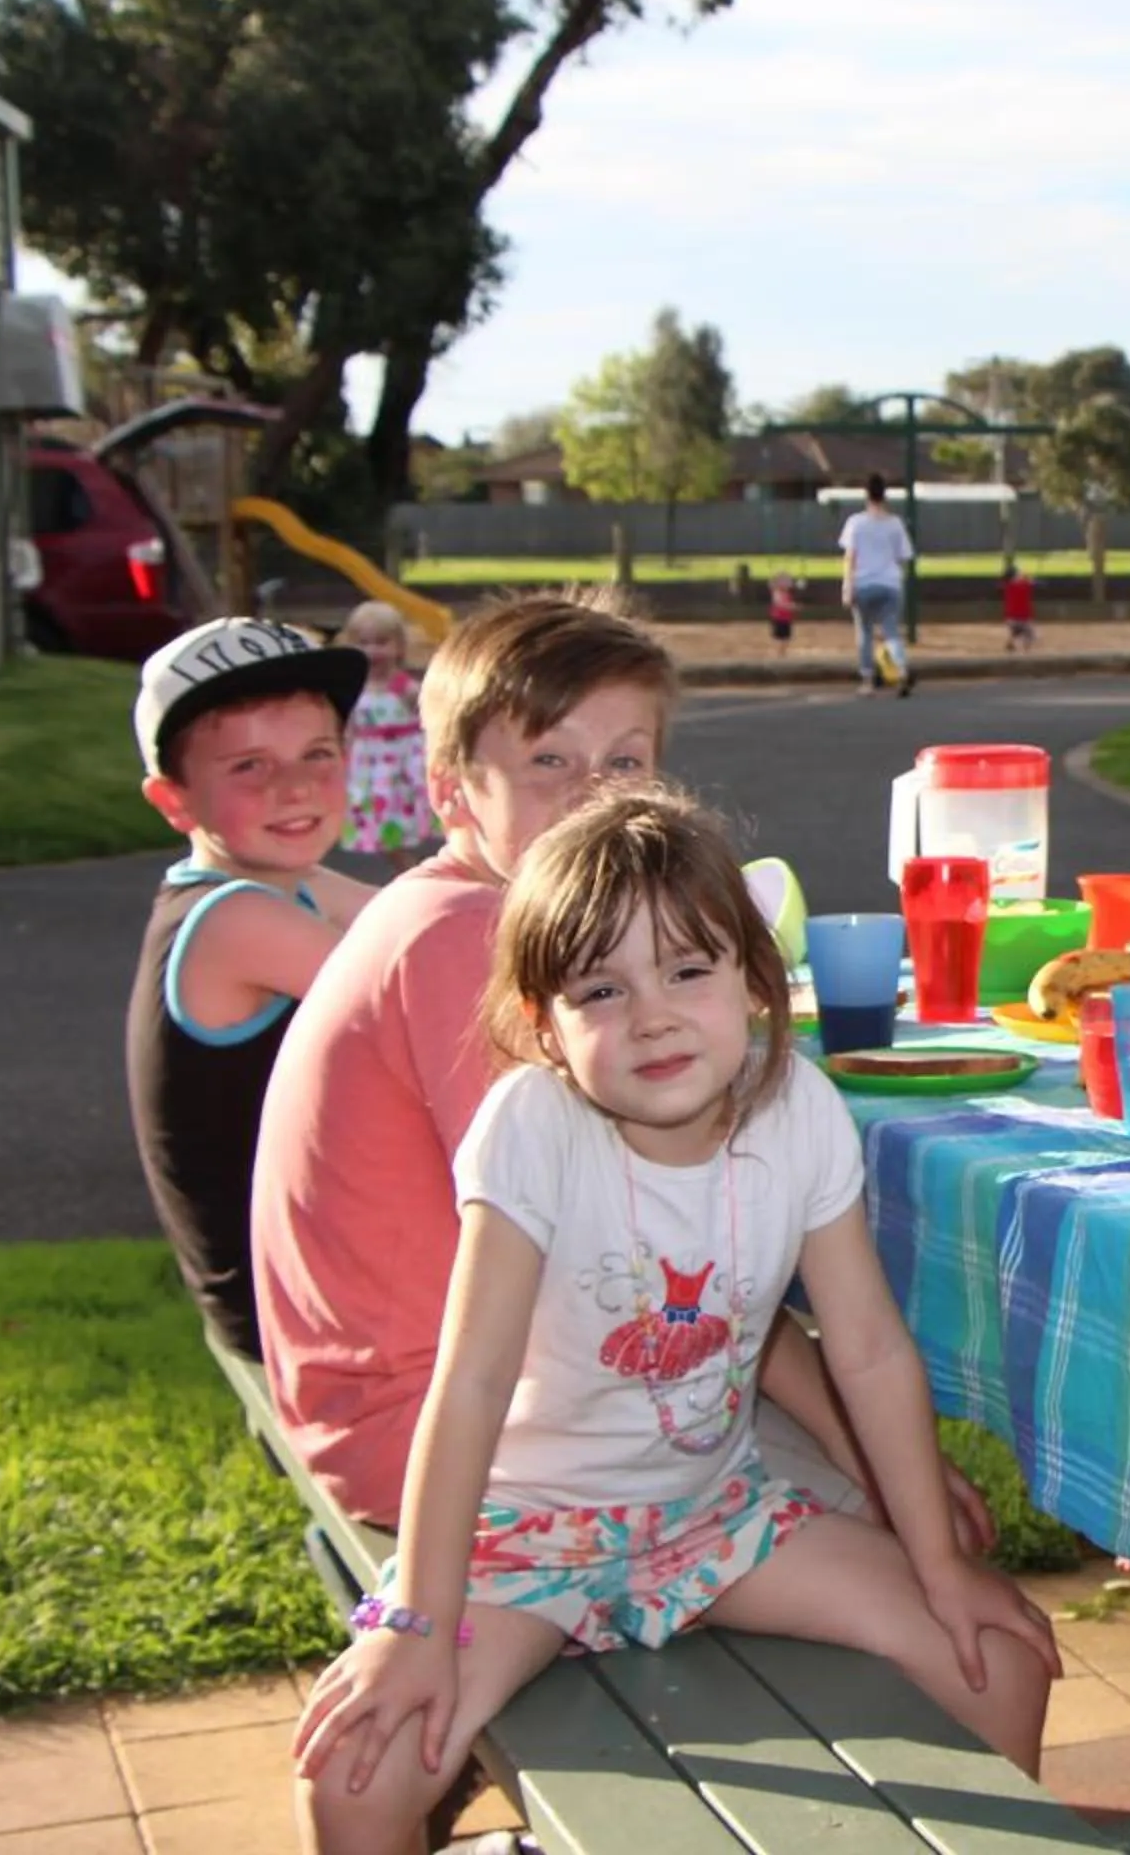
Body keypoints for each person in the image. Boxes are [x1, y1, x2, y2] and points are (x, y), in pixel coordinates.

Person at [290, 789, 1058, 1848]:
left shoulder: (799, 1108)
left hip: (715, 1511)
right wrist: (418, 1622)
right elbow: (469, 1382)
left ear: (753, 979)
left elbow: (871, 1352)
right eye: (601, 987)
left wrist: (937, 1563)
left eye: (688, 969)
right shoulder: (534, 1126)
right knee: (355, 1774)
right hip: (528, 1533)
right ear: (542, 1025)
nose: (652, 1014)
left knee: (1000, 1654)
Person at [254, 592, 946, 1549]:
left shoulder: (467, 910)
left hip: (432, 1391)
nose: (597, 798)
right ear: (452, 790)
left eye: (625, 762)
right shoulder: (478, 942)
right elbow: (654, 1252)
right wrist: (859, 1460)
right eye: (549, 763)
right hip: (444, 1438)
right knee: (912, 1563)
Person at [126, 617, 375, 1357]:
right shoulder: (234, 920)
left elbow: (439, 926)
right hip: (291, 1323)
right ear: (174, 801)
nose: (294, 786)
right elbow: (422, 1000)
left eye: (317, 755)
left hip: (311, 1281)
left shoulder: (296, 884)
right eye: (249, 767)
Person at [335, 601, 436, 864]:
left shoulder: (403, 687)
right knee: (378, 821)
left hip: (400, 763)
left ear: (399, 646)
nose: (372, 651)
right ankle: (402, 866)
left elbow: (429, 717)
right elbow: (347, 724)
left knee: (401, 820)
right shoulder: (354, 686)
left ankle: (408, 865)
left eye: (381, 643)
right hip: (369, 765)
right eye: (363, 642)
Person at [840, 474, 914, 697]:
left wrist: (847, 585)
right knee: (891, 631)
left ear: (866, 495)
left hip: (863, 583)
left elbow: (850, 556)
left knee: (864, 633)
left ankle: (867, 679)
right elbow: (904, 556)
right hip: (890, 584)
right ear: (885, 495)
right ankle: (900, 670)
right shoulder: (895, 523)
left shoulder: (856, 522)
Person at [1001, 559, 1035, 651]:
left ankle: (1011, 643)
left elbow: (1019, 582)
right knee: (1029, 635)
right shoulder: (1024, 585)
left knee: (1016, 631)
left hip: (1010, 618)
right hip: (1024, 617)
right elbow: (1029, 583)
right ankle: (1026, 650)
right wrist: (1027, 578)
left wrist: (1024, 578)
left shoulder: (1007, 586)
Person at [766, 569, 797, 652]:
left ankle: (782, 652)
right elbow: (779, 604)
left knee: (786, 637)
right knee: (779, 637)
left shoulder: (786, 593)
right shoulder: (777, 593)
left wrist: (791, 606)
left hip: (786, 618)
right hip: (779, 618)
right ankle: (779, 652)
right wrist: (790, 606)